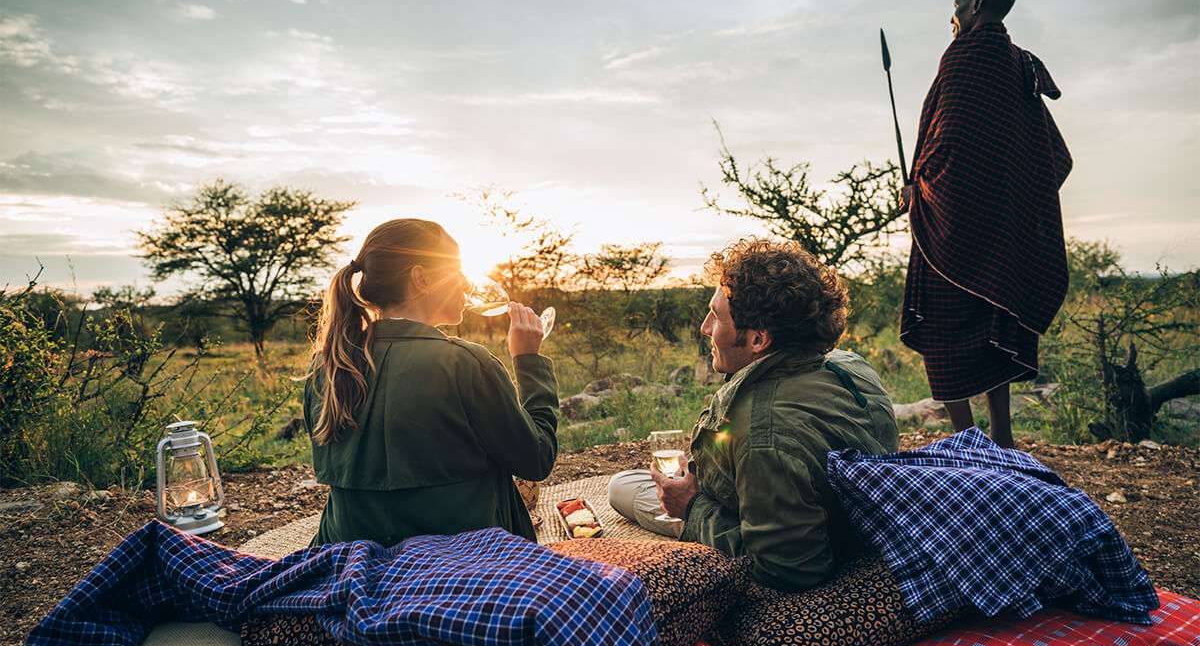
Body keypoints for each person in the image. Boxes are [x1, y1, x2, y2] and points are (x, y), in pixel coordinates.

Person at [608, 239, 899, 591]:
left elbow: (786, 570)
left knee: (621, 486)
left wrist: (690, 506)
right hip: (858, 527)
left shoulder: (765, 435)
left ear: (758, 339)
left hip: (815, 551)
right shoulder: (849, 364)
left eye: (716, 317)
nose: (704, 328)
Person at [304, 218, 558, 546]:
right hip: (462, 562)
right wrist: (528, 361)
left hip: (348, 555)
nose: (467, 286)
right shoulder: (464, 363)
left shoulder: (327, 364)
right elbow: (536, 459)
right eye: (458, 272)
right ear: (421, 279)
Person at [899, 0, 1073, 448]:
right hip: (1004, 230)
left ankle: (967, 437)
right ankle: (1003, 434)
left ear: (975, 4)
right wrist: (1007, 198)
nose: (951, 17)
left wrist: (920, 187)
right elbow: (1048, 153)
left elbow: (948, 138)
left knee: (941, 324)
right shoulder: (1019, 63)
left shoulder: (966, 55)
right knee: (995, 314)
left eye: (956, 6)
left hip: (952, 224)